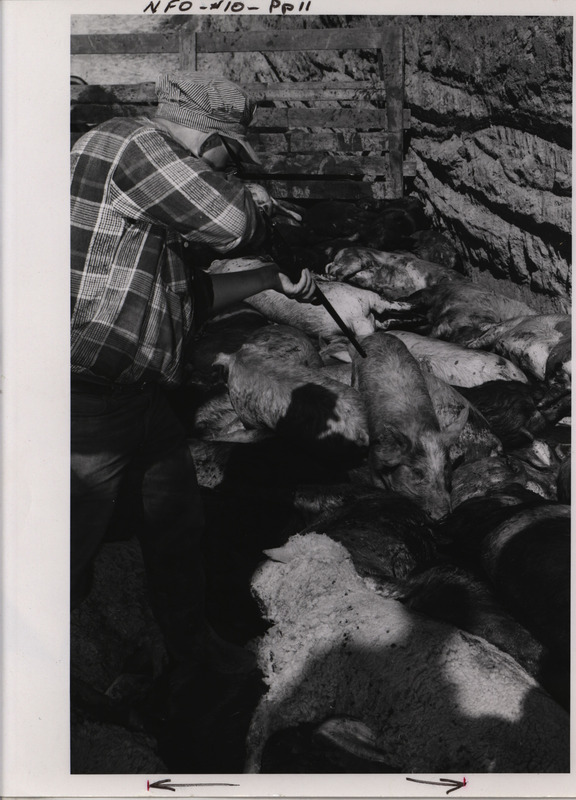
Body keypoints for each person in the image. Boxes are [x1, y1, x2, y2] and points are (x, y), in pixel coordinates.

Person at [70, 72, 316, 674]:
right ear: (211, 139)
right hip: (83, 397)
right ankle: (44, 699)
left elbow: (186, 300)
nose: (230, 172)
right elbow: (233, 223)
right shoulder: (127, 143)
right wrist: (263, 214)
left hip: (139, 398)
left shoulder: (154, 195)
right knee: (63, 546)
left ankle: (192, 650)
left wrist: (267, 278)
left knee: (178, 522)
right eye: (232, 158)